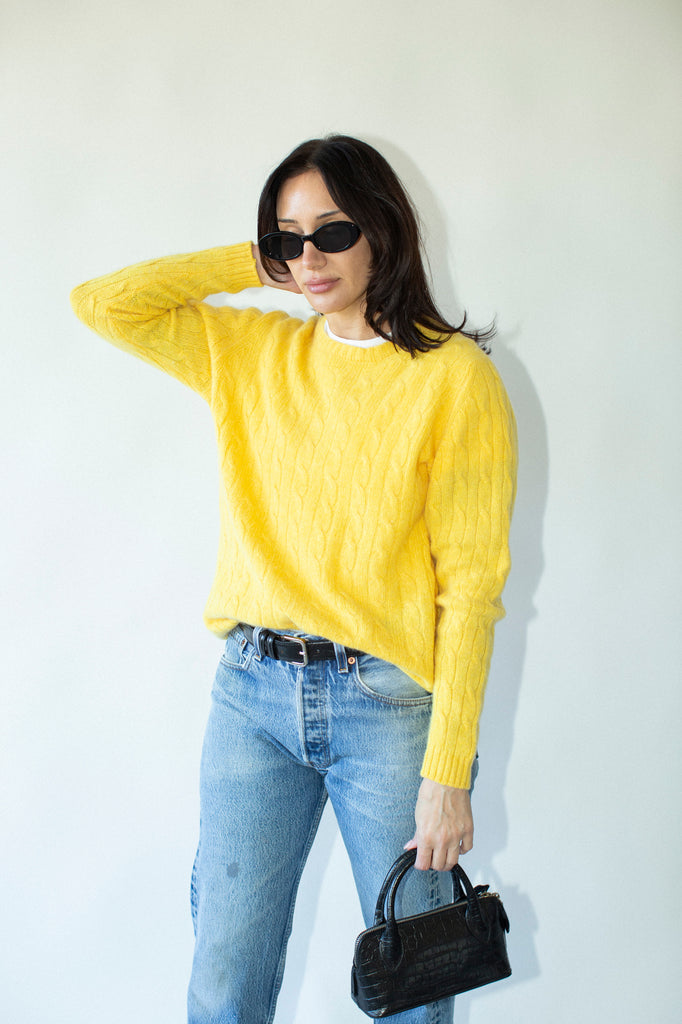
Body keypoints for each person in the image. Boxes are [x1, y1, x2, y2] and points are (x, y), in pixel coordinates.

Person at [71, 134, 517, 1024]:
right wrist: (252, 260)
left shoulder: (453, 381)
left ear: (384, 232)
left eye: (333, 231)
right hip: (251, 698)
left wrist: (448, 773)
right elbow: (102, 304)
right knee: (225, 977)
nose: (308, 257)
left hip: (387, 708)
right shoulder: (249, 352)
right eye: (287, 237)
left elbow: (469, 590)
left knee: (414, 987)